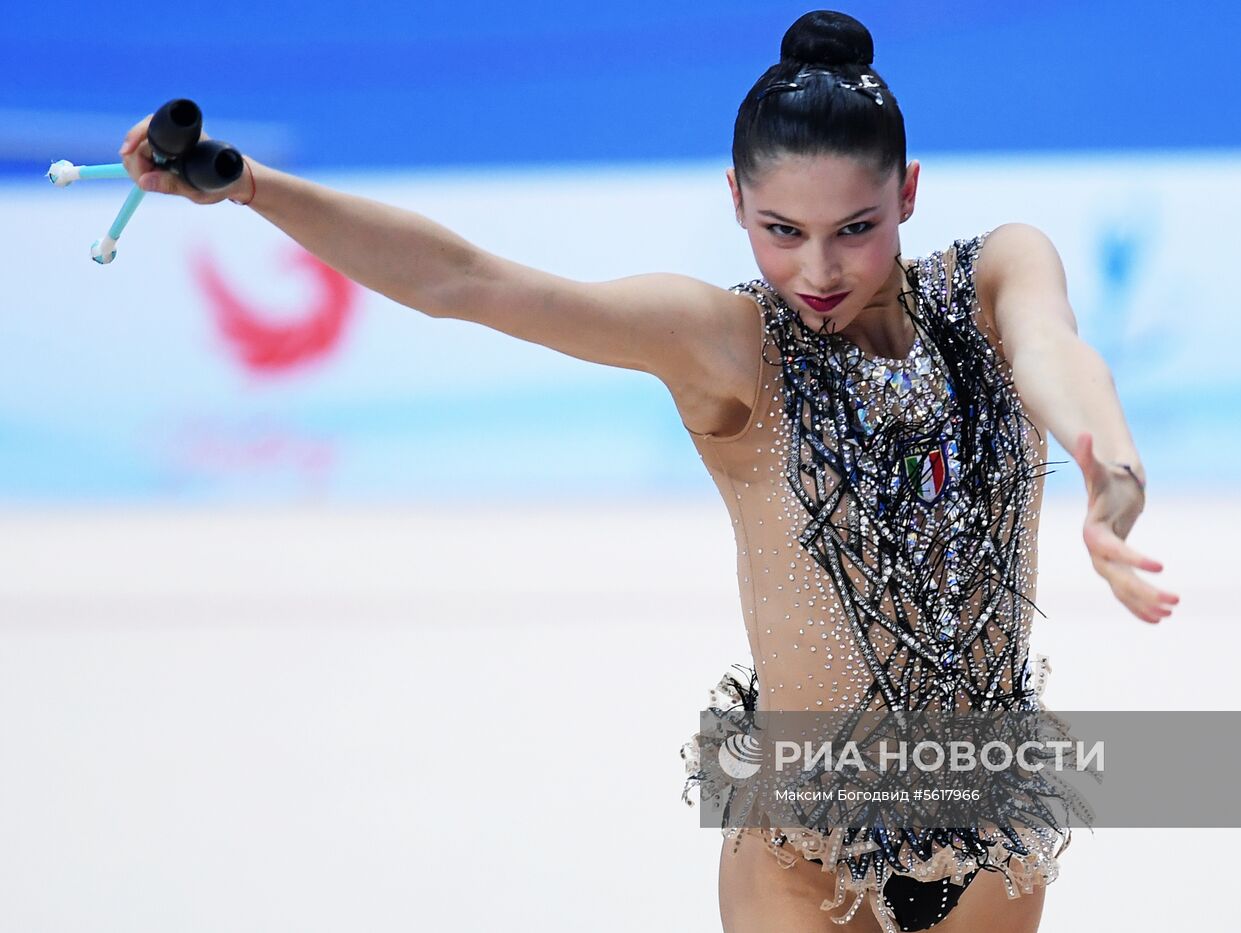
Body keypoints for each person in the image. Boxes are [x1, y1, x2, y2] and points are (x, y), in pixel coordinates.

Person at [118, 9, 1178, 932]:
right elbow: (466, 282)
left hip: (987, 832)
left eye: (854, 229)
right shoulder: (727, 343)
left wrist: (1106, 472)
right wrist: (254, 188)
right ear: (733, 202)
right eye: (782, 231)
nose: (816, 269)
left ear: (906, 191)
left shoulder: (994, 274)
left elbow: (1054, 354)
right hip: (802, 852)